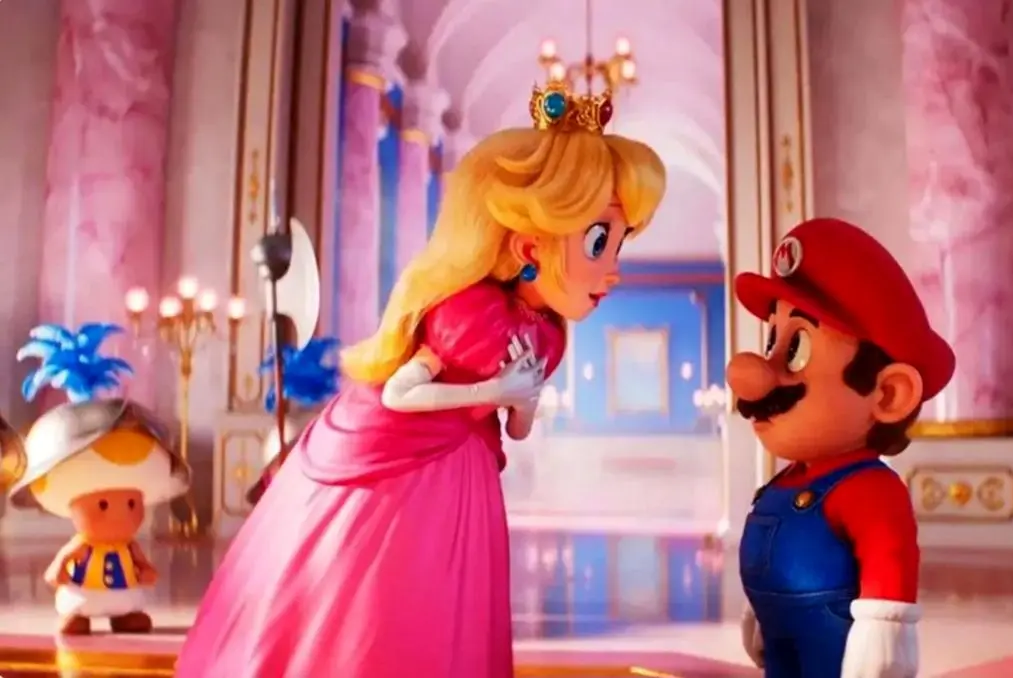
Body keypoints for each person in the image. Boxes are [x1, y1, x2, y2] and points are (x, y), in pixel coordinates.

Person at [175, 82, 666, 678]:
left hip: (465, 473)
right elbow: (401, 393)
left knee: (446, 614)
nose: (613, 272)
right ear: (530, 245)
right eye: (598, 242)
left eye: (617, 244)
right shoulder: (464, 313)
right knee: (384, 611)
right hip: (401, 470)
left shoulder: (546, 331)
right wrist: (496, 392)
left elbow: (518, 422)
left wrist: (521, 400)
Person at [727, 218, 956, 678]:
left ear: (887, 394)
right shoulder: (787, 480)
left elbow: (890, 562)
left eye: (796, 350)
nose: (759, 374)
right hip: (782, 636)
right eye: (772, 342)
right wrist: (759, 611)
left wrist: (884, 633)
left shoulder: (868, 489)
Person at [7, 400, 188, 635]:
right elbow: (63, 561)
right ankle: (78, 617)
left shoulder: (129, 547)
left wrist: (147, 571)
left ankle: (124, 617)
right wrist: (57, 571)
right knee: (77, 615)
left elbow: (143, 565)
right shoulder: (82, 545)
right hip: (84, 594)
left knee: (130, 614)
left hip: (123, 594)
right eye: (103, 505)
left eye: (131, 504)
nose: (120, 515)